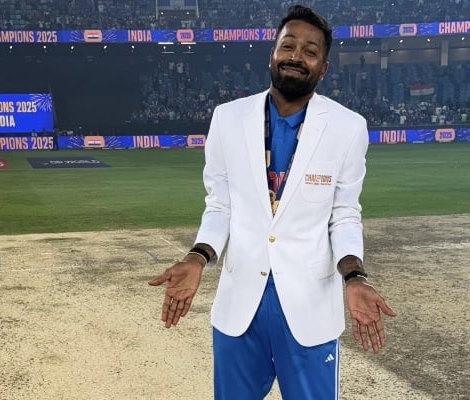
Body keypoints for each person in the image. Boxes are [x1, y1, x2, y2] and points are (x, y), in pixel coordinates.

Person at [149, 5, 396, 399]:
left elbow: (344, 214)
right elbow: (220, 207)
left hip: (310, 309)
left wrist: (354, 276)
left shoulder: (348, 128)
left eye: (310, 51)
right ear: (273, 53)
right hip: (239, 309)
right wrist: (198, 256)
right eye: (289, 45)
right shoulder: (227, 119)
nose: (297, 56)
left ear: (324, 68)